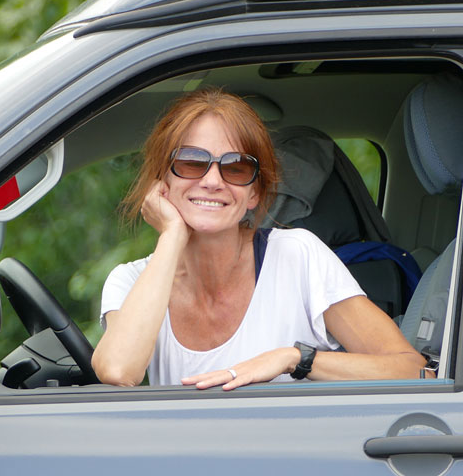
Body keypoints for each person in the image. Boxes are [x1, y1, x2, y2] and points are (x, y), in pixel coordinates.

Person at [91, 89, 428, 389]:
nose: (212, 181)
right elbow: (119, 370)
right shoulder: (131, 281)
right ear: (160, 181)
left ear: (254, 193)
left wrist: (296, 359)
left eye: (236, 167)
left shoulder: (297, 255)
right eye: (191, 163)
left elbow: (413, 370)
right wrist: (172, 236)